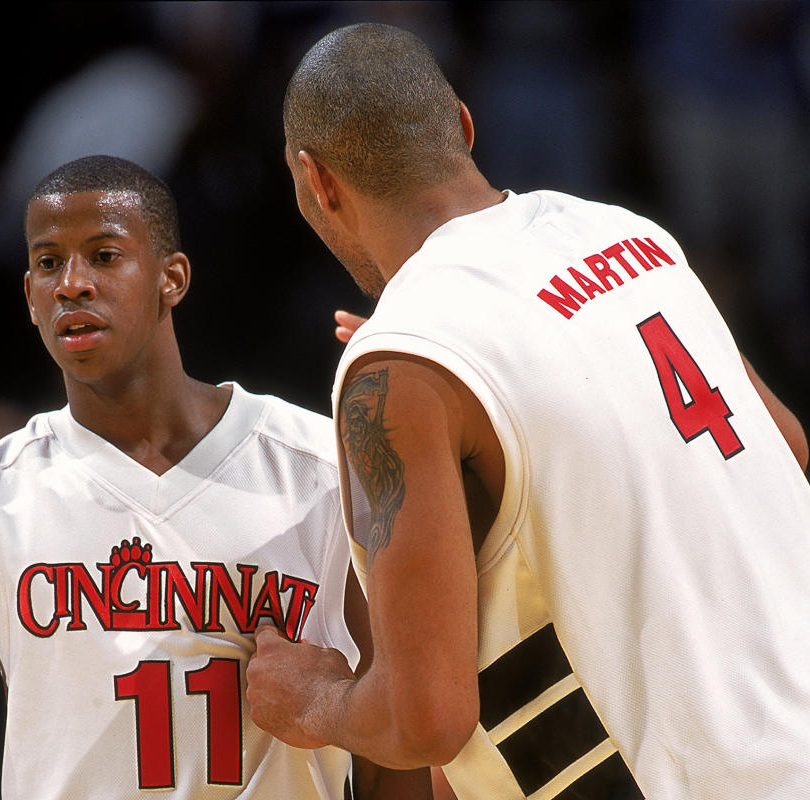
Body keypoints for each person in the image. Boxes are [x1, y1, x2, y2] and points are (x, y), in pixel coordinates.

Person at [245, 22, 810, 800]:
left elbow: (426, 720)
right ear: (466, 127)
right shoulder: (630, 235)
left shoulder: (400, 364)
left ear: (317, 181)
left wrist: (310, 698)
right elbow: (784, 444)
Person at [0, 155, 431, 800]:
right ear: (29, 298)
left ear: (172, 278)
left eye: (104, 255)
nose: (72, 283)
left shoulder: (326, 469)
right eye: (48, 264)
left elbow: (397, 754)